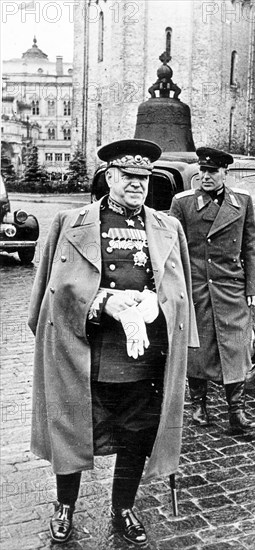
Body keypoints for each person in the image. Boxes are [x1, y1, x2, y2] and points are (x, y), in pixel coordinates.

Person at [28, 139, 199, 545]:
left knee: (137, 432)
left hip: (143, 356)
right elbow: (53, 290)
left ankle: (123, 507)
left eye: (144, 177)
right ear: (110, 177)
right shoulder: (72, 222)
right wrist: (106, 301)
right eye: (128, 177)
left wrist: (153, 303)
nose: (138, 184)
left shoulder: (167, 226)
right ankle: (65, 506)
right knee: (71, 426)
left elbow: (181, 291)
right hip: (85, 349)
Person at [170, 147, 255, 433]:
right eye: (203, 170)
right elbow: (172, 250)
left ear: (225, 173)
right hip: (197, 286)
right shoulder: (183, 203)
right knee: (199, 350)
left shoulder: (243, 202)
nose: (205, 176)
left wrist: (253, 286)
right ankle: (199, 405)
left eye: (212, 171)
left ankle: (237, 411)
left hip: (231, 287)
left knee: (236, 347)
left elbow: (251, 246)